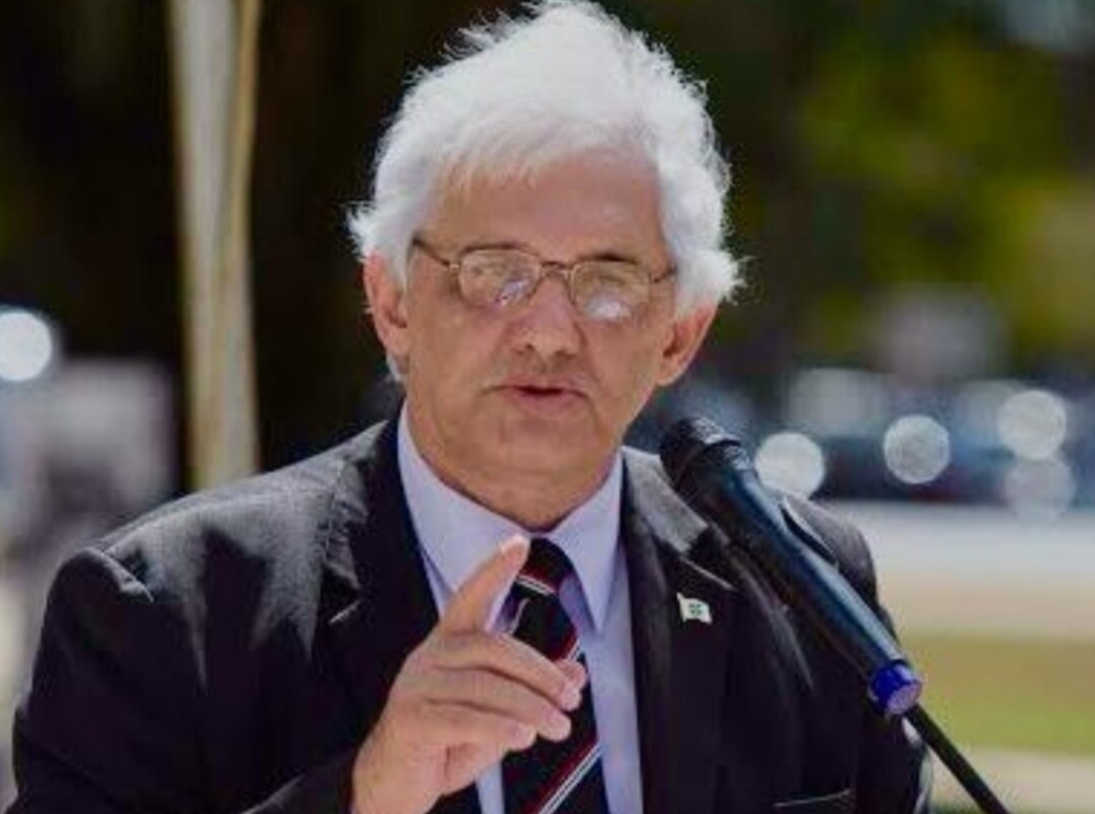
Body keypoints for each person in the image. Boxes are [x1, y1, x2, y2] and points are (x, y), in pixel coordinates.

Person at [7, 2, 931, 813]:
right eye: (496, 272)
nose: (549, 333)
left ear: (680, 333)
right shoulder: (166, 610)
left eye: (606, 281)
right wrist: (368, 792)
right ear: (391, 303)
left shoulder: (802, 591)